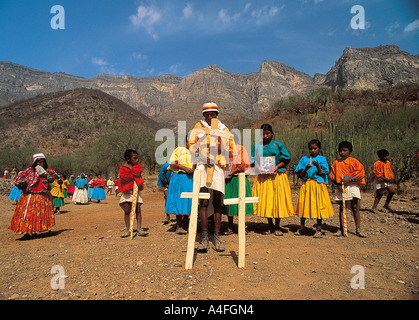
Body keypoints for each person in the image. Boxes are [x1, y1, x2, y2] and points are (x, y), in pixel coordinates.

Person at [188, 102, 234, 252]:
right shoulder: (197, 128)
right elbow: (191, 147)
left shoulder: (223, 129)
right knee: (204, 201)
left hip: (218, 167)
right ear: (203, 115)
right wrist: (202, 155)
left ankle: (217, 236)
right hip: (203, 166)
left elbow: (230, 148)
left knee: (217, 201)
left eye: (212, 114)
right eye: (207, 114)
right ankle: (204, 237)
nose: (209, 116)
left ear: (216, 115)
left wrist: (220, 149)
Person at [251, 124, 294, 236]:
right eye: (262, 134)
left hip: (277, 176)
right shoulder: (256, 146)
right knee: (267, 200)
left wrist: (277, 166)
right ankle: (269, 225)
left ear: (272, 133)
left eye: (267, 133)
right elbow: (252, 160)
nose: (265, 136)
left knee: (277, 199)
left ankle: (277, 226)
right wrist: (258, 167)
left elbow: (286, 159)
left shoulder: (278, 145)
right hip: (264, 176)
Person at [8, 153, 58, 239]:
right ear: (35, 162)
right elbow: (17, 180)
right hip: (29, 197)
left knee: (38, 215)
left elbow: (55, 177)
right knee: (27, 214)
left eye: (42, 162)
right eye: (39, 162)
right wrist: (22, 185)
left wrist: (45, 175)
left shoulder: (48, 171)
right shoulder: (28, 171)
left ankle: (35, 231)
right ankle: (26, 232)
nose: (41, 164)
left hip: (42, 197)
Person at [294, 139, 334, 238]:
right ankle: (302, 227)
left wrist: (317, 166)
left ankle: (318, 229)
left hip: (318, 185)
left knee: (318, 206)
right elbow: (300, 173)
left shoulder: (322, 159)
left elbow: (324, 172)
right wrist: (306, 169)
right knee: (304, 205)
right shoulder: (304, 159)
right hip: (307, 184)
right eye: (311, 148)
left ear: (319, 149)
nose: (312, 150)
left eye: (315, 148)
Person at [330, 141, 367, 238]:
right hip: (341, 187)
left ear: (350, 151)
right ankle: (342, 229)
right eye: (340, 150)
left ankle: (358, 229)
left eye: (344, 150)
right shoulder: (336, 163)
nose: (342, 152)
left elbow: (361, 173)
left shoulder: (354, 162)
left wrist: (350, 179)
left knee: (355, 207)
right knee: (342, 207)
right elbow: (332, 175)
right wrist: (337, 184)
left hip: (352, 185)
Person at [223, 132, 253, 234]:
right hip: (228, 179)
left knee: (240, 201)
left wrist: (232, 172)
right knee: (229, 202)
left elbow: (243, 164)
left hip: (238, 178)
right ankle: (230, 225)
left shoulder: (240, 148)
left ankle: (242, 226)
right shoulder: (225, 150)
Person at [165, 141, 195, 234]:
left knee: (188, 200)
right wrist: (185, 168)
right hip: (179, 177)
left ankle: (185, 224)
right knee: (178, 199)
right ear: (186, 142)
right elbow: (173, 163)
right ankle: (178, 225)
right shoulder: (179, 150)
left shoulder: (195, 152)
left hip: (190, 178)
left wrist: (193, 168)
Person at [118, 149, 148, 238]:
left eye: (137, 158)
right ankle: (128, 229)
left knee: (138, 210)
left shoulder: (138, 166)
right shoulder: (122, 168)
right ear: (128, 159)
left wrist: (130, 169)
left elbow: (137, 173)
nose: (137, 160)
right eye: (134, 158)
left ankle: (139, 229)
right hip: (127, 191)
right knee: (127, 210)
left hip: (136, 190)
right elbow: (124, 177)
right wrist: (132, 173)